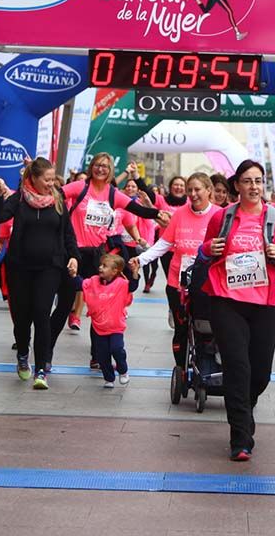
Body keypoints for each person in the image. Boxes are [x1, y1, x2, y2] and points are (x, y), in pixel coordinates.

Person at [198, 159, 275, 461]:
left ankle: (245, 408)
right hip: (226, 300)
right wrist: (208, 250)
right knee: (237, 368)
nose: (254, 187)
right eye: (247, 181)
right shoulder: (223, 217)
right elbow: (204, 250)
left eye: (258, 181)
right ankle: (240, 438)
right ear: (237, 186)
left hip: (265, 303)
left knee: (260, 374)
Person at [58, 154, 168, 361]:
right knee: (63, 305)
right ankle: (44, 357)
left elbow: (137, 210)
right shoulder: (79, 187)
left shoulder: (113, 194)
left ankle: (96, 356)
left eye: (106, 167)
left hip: (96, 255)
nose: (101, 169)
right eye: (98, 165)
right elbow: (55, 194)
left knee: (98, 307)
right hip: (73, 253)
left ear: (110, 171)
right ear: (91, 168)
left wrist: (157, 214)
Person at [0, 157, 81, 389]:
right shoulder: (19, 199)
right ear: (34, 179)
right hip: (19, 267)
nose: (51, 183)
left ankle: (41, 369)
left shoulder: (58, 199)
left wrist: (73, 257)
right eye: (47, 180)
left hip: (50, 267)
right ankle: (22, 353)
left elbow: (68, 233)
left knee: (41, 313)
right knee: (22, 318)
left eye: (53, 179)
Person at [133, 172, 216, 369]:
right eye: (190, 190)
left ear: (208, 190)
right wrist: (141, 260)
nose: (193, 194)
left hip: (207, 283)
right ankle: (181, 368)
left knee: (205, 327)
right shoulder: (180, 214)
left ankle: (205, 365)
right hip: (178, 282)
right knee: (180, 328)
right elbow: (164, 244)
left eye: (198, 190)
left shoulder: (219, 215)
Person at [71, 253, 140, 388]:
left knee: (117, 349)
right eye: (101, 265)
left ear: (115, 271)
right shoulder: (93, 281)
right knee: (102, 355)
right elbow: (81, 285)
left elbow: (132, 286)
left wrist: (135, 273)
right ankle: (109, 378)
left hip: (116, 327)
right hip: (99, 327)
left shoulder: (121, 284)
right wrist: (74, 275)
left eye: (105, 266)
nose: (100, 268)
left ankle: (123, 370)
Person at [132, 168, 187, 292]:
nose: (178, 188)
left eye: (181, 185)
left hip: (185, 248)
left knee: (184, 283)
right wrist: (136, 176)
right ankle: (173, 310)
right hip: (167, 248)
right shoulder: (162, 200)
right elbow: (148, 192)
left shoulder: (190, 204)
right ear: (170, 187)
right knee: (172, 282)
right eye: (176, 185)